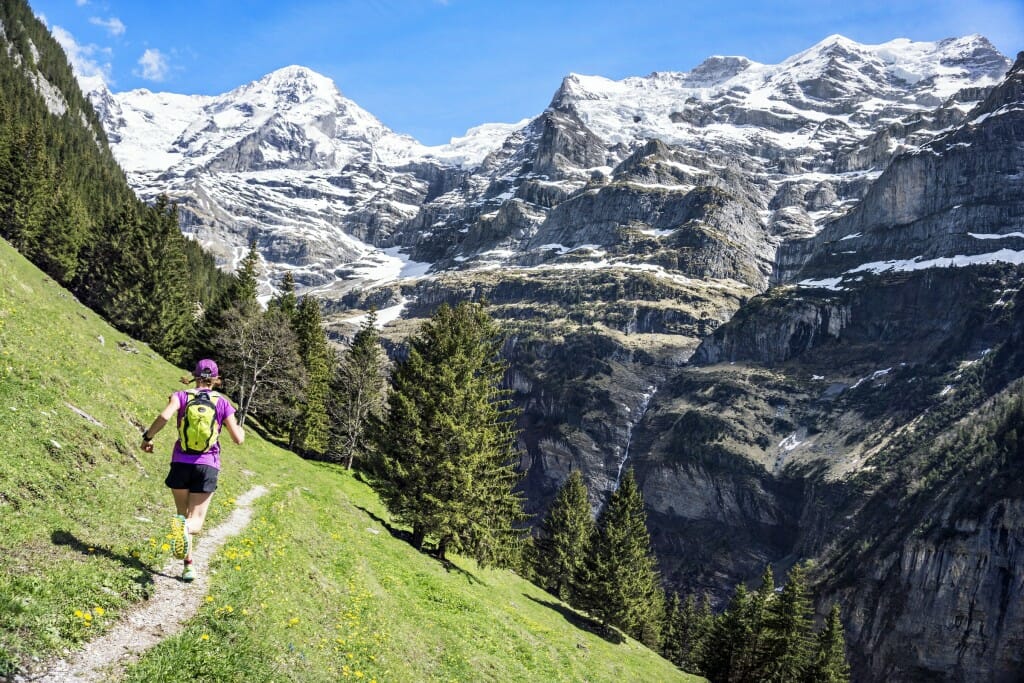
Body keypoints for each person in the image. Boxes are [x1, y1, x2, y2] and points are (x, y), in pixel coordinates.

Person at [140, 359, 244, 582]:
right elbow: (238, 439)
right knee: (193, 522)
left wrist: (148, 438)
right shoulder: (222, 402)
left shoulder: (181, 396)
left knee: (182, 515)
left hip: (180, 463)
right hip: (207, 464)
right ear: (216, 379)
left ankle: (188, 566)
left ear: (195, 375)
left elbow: (165, 417)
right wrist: (239, 428)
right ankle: (185, 547)